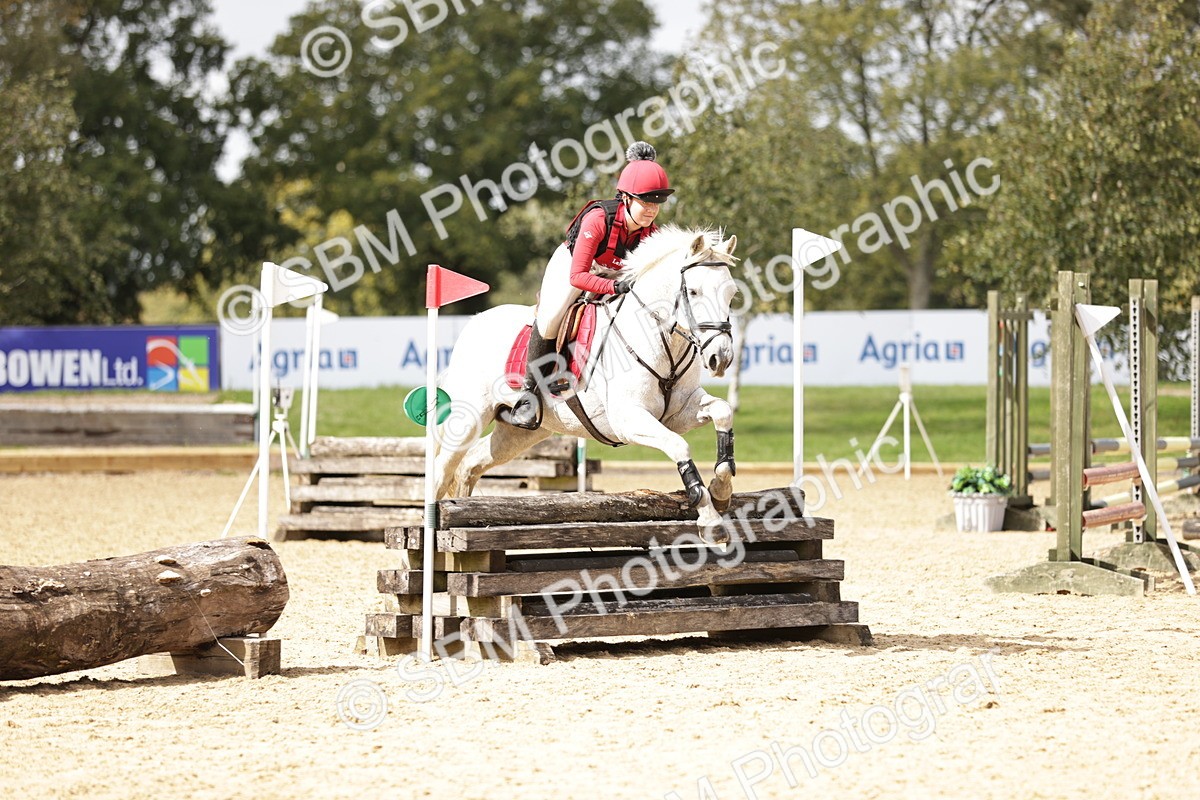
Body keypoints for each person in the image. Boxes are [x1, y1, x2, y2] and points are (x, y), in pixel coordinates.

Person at [506, 141, 675, 430]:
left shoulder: (652, 234)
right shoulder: (598, 219)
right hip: (574, 266)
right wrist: (614, 288)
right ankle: (528, 395)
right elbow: (578, 277)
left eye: (656, 203)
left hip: (612, 272)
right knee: (552, 314)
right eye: (644, 202)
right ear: (625, 198)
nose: (651, 210)